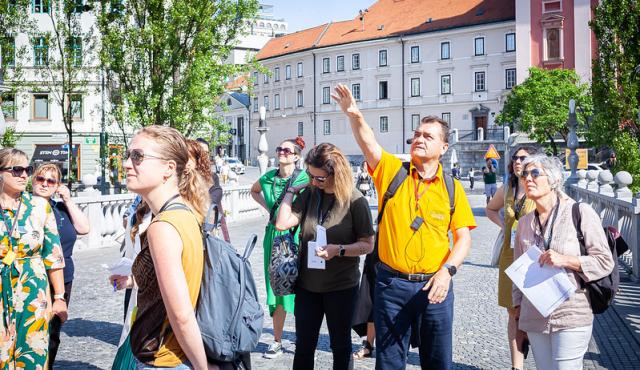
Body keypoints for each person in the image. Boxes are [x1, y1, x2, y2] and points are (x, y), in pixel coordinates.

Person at [331, 84, 476, 369]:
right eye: (417, 135)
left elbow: (462, 239)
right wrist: (354, 114)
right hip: (392, 285)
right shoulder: (392, 173)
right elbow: (369, 143)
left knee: (437, 361)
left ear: (444, 148)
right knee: (390, 362)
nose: (419, 139)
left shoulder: (451, 188)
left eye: (428, 136)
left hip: (435, 285)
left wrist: (448, 273)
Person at [123, 126, 218, 370]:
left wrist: (202, 367)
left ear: (168, 168)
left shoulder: (163, 227)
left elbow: (182, 316)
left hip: (165, 359)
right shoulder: (186, 212)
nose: (126, 163)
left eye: (138, 156)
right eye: (128, 154)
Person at [275, 142, 374, 370]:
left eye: (319, 178)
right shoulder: (310, 193)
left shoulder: (354, 200)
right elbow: (282, 223)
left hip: (341, 287)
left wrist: (338, 250)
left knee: (340, 347)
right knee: (304, 347)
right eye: (310, 175)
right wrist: (291, 191)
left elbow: (368, 245)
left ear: (335, 174)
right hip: (307, 286)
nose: (313, 182)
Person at [513, 154, 614, 370]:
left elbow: (605, 261)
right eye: (524, 174)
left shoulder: (580, 212)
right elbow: (518, 275)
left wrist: (567, 260)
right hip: (535, 314)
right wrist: (517, 314)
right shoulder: (523, 223)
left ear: (553, 179)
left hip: (572, 311)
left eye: (535, 173)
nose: (527, 178)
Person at [0, 148, 66, 369]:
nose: (24, 176)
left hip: (34, 291)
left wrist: (59, 297)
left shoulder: (39, 206)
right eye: (16, 170)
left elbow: (53, 255)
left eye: (27, 170)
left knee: (33, 353)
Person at [250, 137, 308, 359]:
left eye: (286, 150)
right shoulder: (268, 178)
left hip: (297, 236)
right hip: (274, 237)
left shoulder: (304, 178)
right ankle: (277, 340)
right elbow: (254, 191)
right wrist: (270, 209)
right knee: (277, 289)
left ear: (296, 156)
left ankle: (304, 336)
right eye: (279, 149)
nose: (281, 153)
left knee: (303, 287)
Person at [31, 163, 90, 369]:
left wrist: (67, 199)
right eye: (40, 179)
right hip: (34, 277)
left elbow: (84, 228)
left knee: (53, 332)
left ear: (57, 186)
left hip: (63, 278)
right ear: (33, 180)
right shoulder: (24, 207)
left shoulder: (61, 209)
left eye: (51, 181)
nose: (45, 184)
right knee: (31, 331)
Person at [485, 146, 538, 370]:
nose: (517, 161)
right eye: (515, 158)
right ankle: (517, 366)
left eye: (523, 158)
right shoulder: (508, 187)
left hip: (534, 258)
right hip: (509, 255)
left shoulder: (539, 186)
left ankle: (537, 350)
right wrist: (505, 226)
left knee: (536, 309)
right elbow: (490, 209)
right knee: (513, 311)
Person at [195, 138, 230, 243]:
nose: (203, 156)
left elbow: (214, 199)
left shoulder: (212, 177)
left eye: (206, 153)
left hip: (208, 231)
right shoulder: (182, 176)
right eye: (199, 152)